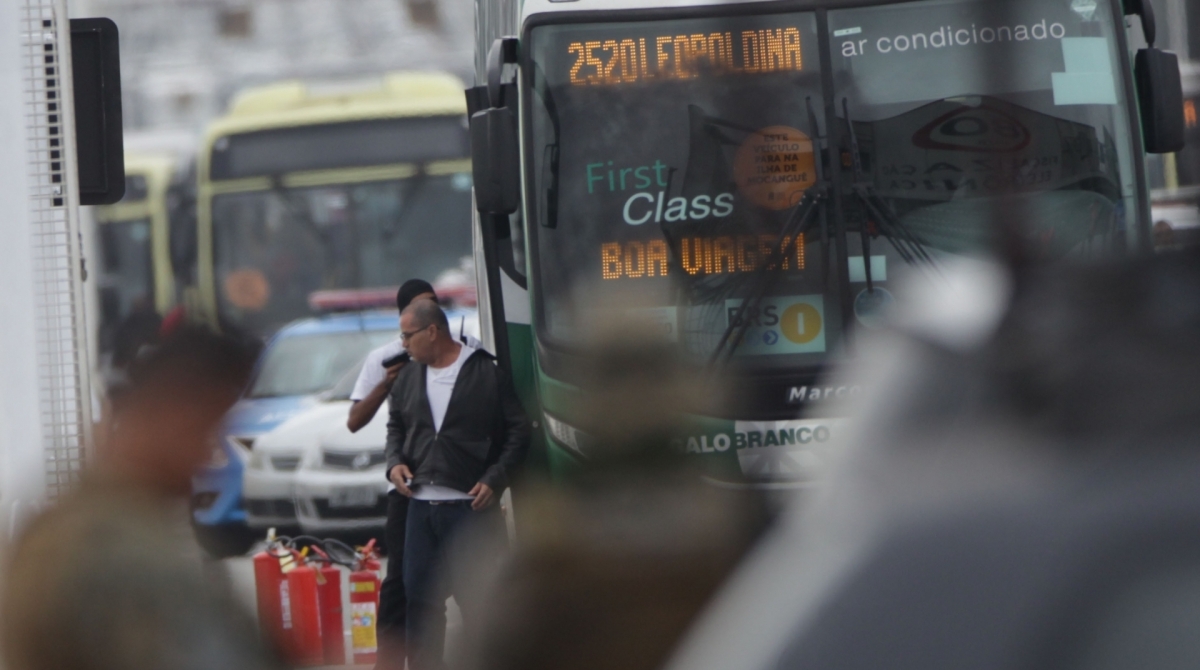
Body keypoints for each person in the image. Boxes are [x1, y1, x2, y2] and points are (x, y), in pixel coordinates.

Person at [2, 326, 278, 670]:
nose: (205, 456)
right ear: (163, 414)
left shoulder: (56, 528)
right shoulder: (119, 550)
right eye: (204, 429)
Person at [386, 299, 529, 670]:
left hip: (470, 510)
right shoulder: (408, 377)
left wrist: (495, 479)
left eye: (407, 335)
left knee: (479, 601)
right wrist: (394, 464)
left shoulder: (484, 372)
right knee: (419, 600)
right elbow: (395, 429)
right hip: (420, 507)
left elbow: (517, 431)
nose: (403, 343)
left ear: (432, 331)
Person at [349, 280, 480, 670]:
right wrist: (386, 385)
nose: (429, 324)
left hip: (457, 485)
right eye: (419, 314)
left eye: (434, 311)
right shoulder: (387, 357)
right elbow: (357, 421)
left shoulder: (464, 348)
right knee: (401, 585)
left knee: (467, 582)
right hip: (408, 487)